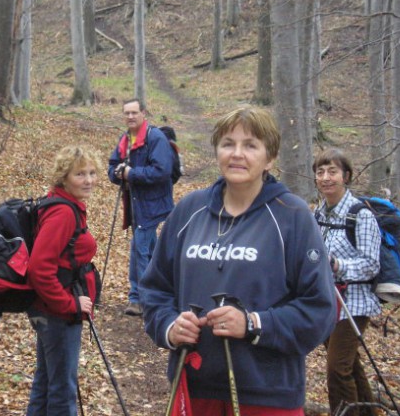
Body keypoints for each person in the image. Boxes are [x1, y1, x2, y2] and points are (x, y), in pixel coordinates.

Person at [140, 105, 337, 415]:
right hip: (193, 385)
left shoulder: (293, 216)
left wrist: (253, 323)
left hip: (267, 393)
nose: (237, 154)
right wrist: (168, 326)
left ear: (269, 158)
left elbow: (320, 311)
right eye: (228, 143)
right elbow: (155, 289)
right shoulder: (189, 211)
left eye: (250, 145)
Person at [26, 146, 101, 416]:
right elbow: (39, 268)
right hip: (56, 312)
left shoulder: (63, 205)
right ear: (64, 177)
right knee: (61, 390)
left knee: (46, 382)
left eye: (92, 173)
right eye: (80, 174)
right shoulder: (63, 213)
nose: (89, 180)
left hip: (45, 308)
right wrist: (69, 304)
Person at [313, 148, 381, 416]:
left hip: (354, 304)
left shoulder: (360, 215)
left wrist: (338, 266)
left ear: (346, 176)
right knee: (349, 364)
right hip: (328, 302)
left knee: (336, 369)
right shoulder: (318, 214)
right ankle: (368, 411)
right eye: (320, 172)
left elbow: (371, 264)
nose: (326, 178)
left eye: (332, 171)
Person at [108, 98, 175, 316]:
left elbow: (161, 170)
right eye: (126, 113)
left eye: (134, 112)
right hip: (136, 204)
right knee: (152, 250)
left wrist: (131, 174)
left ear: (143, 113)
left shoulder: (155, 138)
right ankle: (163, 289)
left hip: (153, 204)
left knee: (139, 249)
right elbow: (112, 166)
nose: (130, 117)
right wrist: (118, 173)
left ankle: (139, 298)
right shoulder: (126, 139)